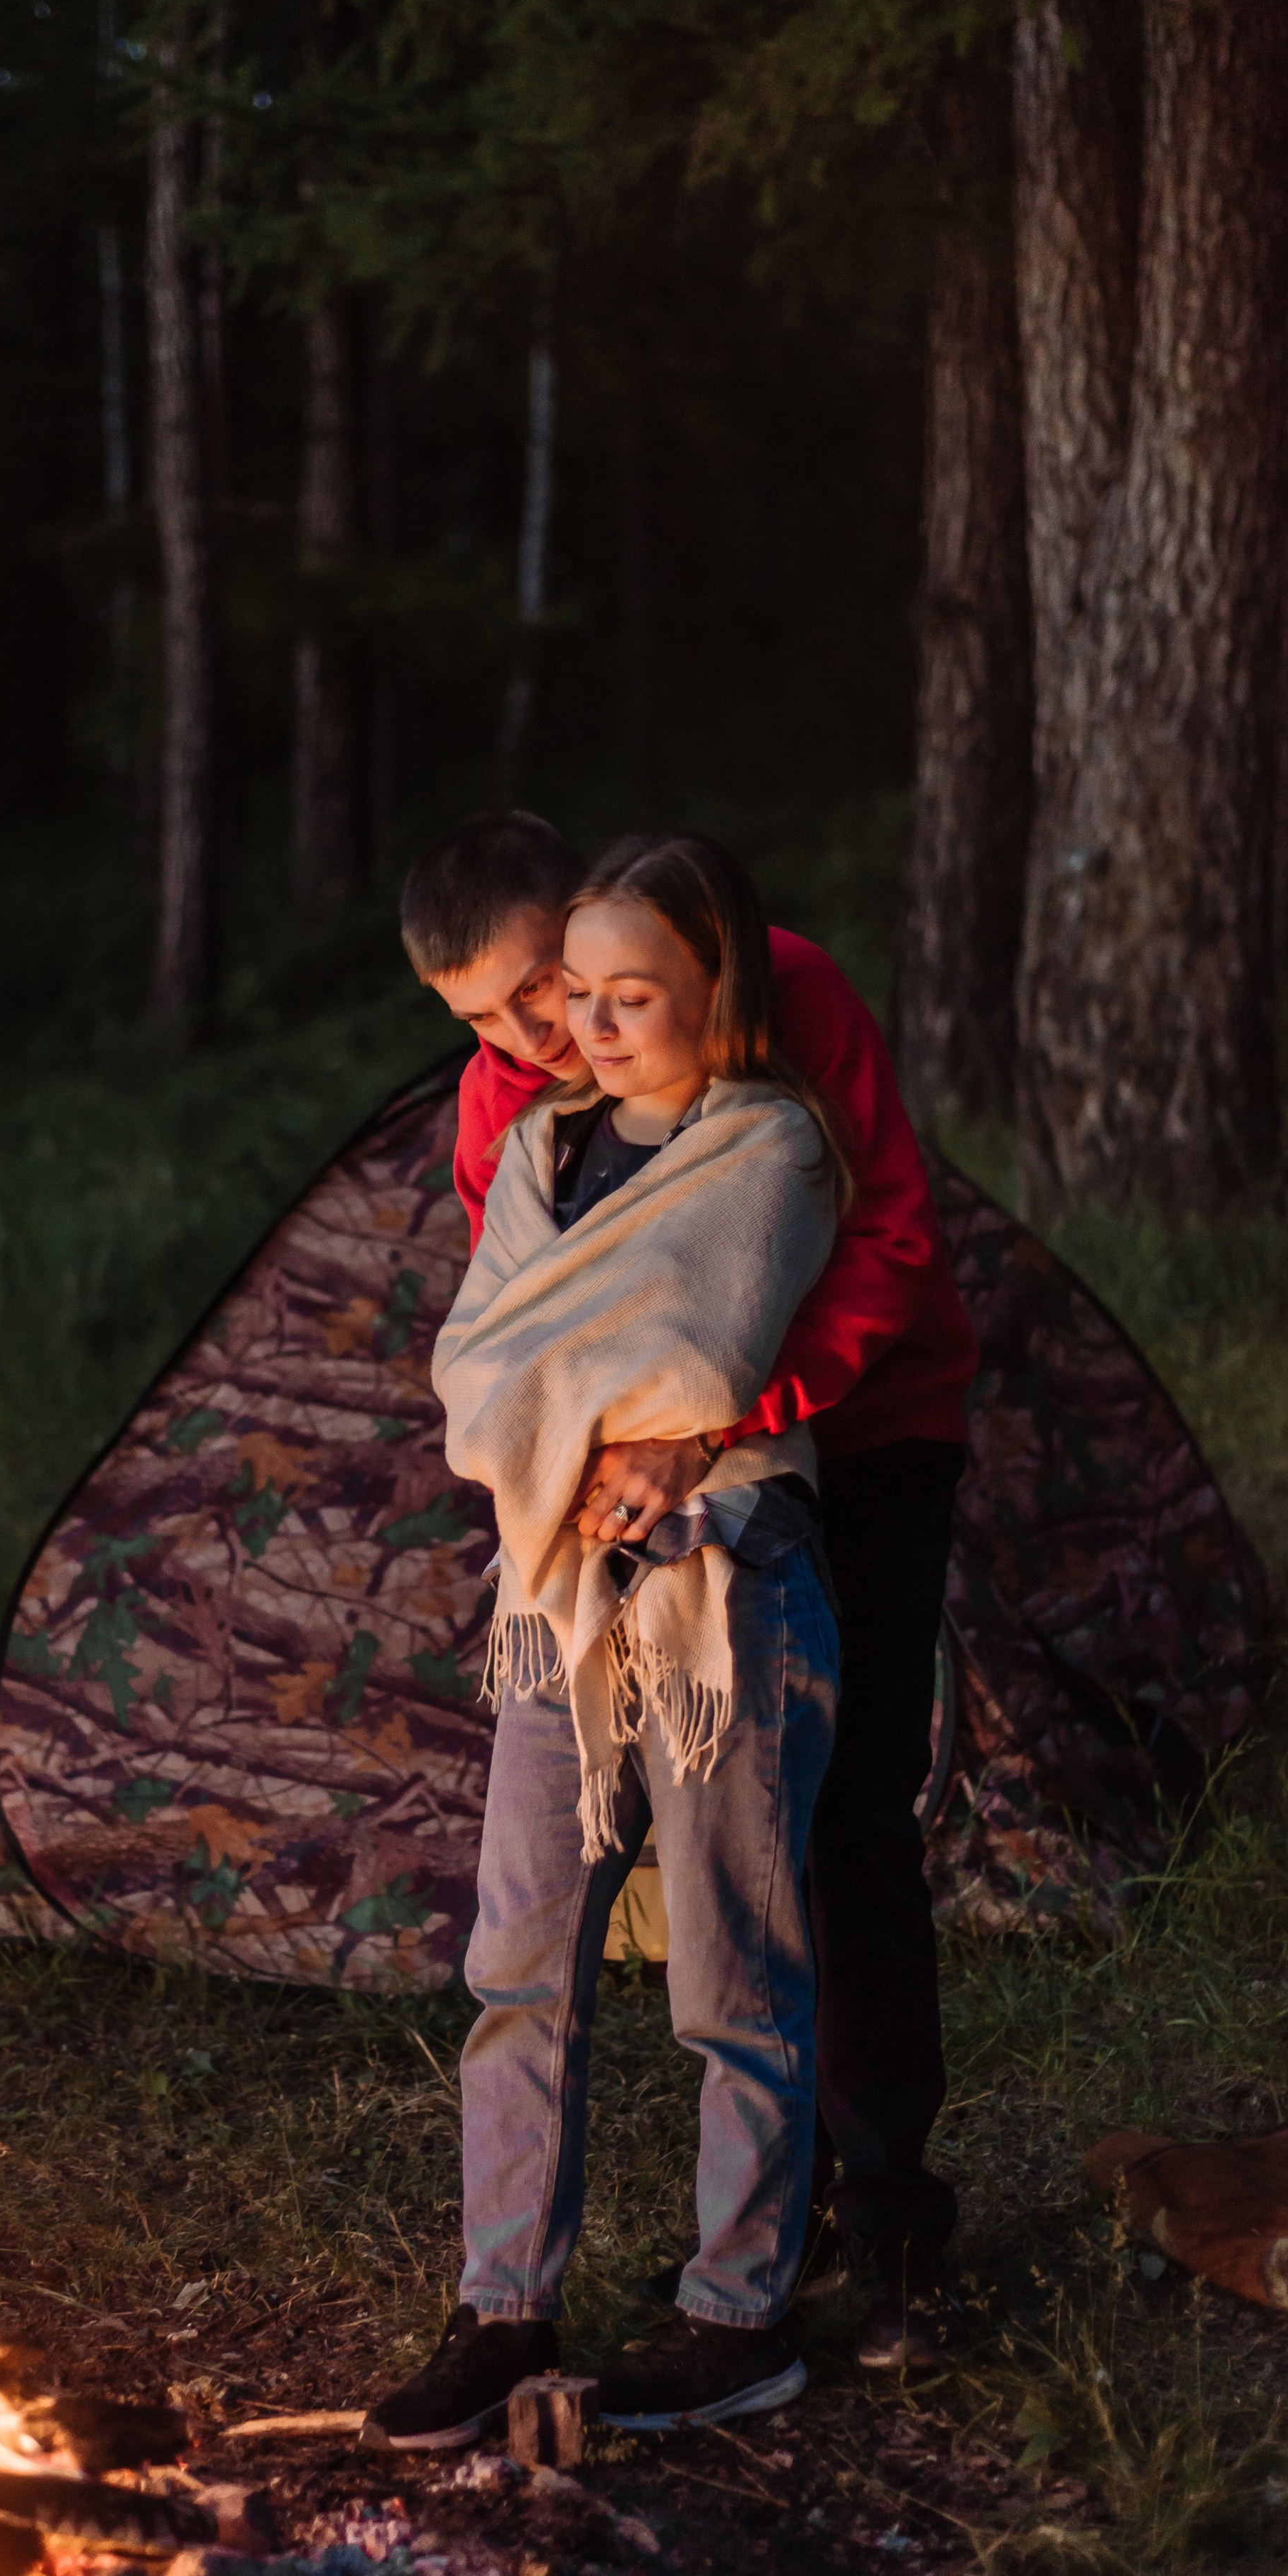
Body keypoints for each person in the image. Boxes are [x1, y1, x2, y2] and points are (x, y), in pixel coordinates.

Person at [400, 810, 978, 2376]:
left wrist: (711, 1423)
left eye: (555, 989)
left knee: (840, 1824)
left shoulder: (779, 999)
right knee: (560, 1902)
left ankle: (880, 2218)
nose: (541, 1036)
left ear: (598, 936)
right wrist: (594, 1453)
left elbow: (886, 1248)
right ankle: (652, 2248)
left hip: (851, 1427)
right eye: (494, 1020)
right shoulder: (514, 1111)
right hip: (627, 1506)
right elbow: (541, 1334)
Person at [364, 837, 848, 2448]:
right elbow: (475, 1365)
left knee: (728, 1966)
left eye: (626, 996)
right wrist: (596, 1432)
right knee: (517, 1956)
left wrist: (654, 1430)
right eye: (579, 997)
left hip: (726, 1588)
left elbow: (701, 1354)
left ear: (715, 988)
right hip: (556, 1599)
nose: (588, 1027)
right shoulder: (537, 1153)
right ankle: (502, 2304)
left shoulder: (768, 1145)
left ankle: (736, 2313)